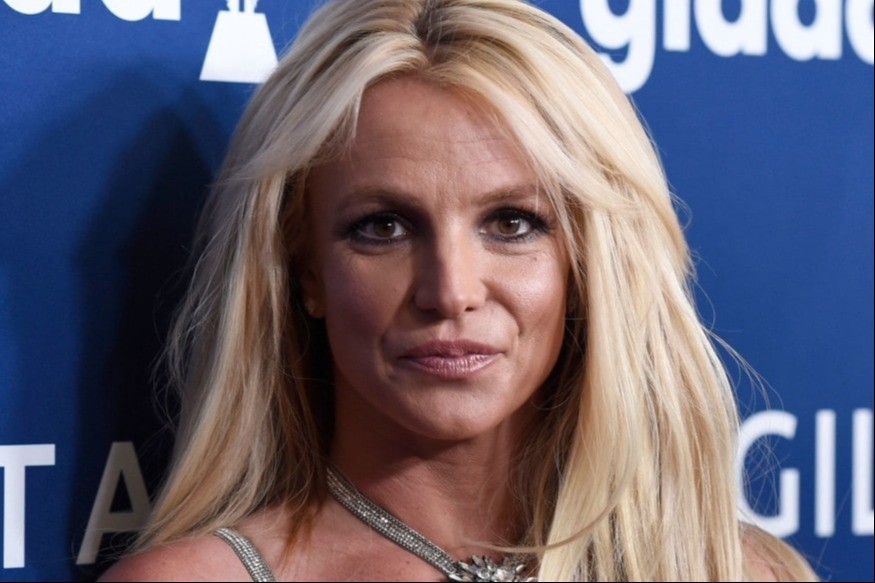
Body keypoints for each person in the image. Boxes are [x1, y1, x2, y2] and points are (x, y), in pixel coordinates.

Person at [102, 0, 819, 580]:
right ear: (305, 270)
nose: (450, 292)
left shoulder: (732, 570)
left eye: (511, 223)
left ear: (588, 263)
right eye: (383, 227)